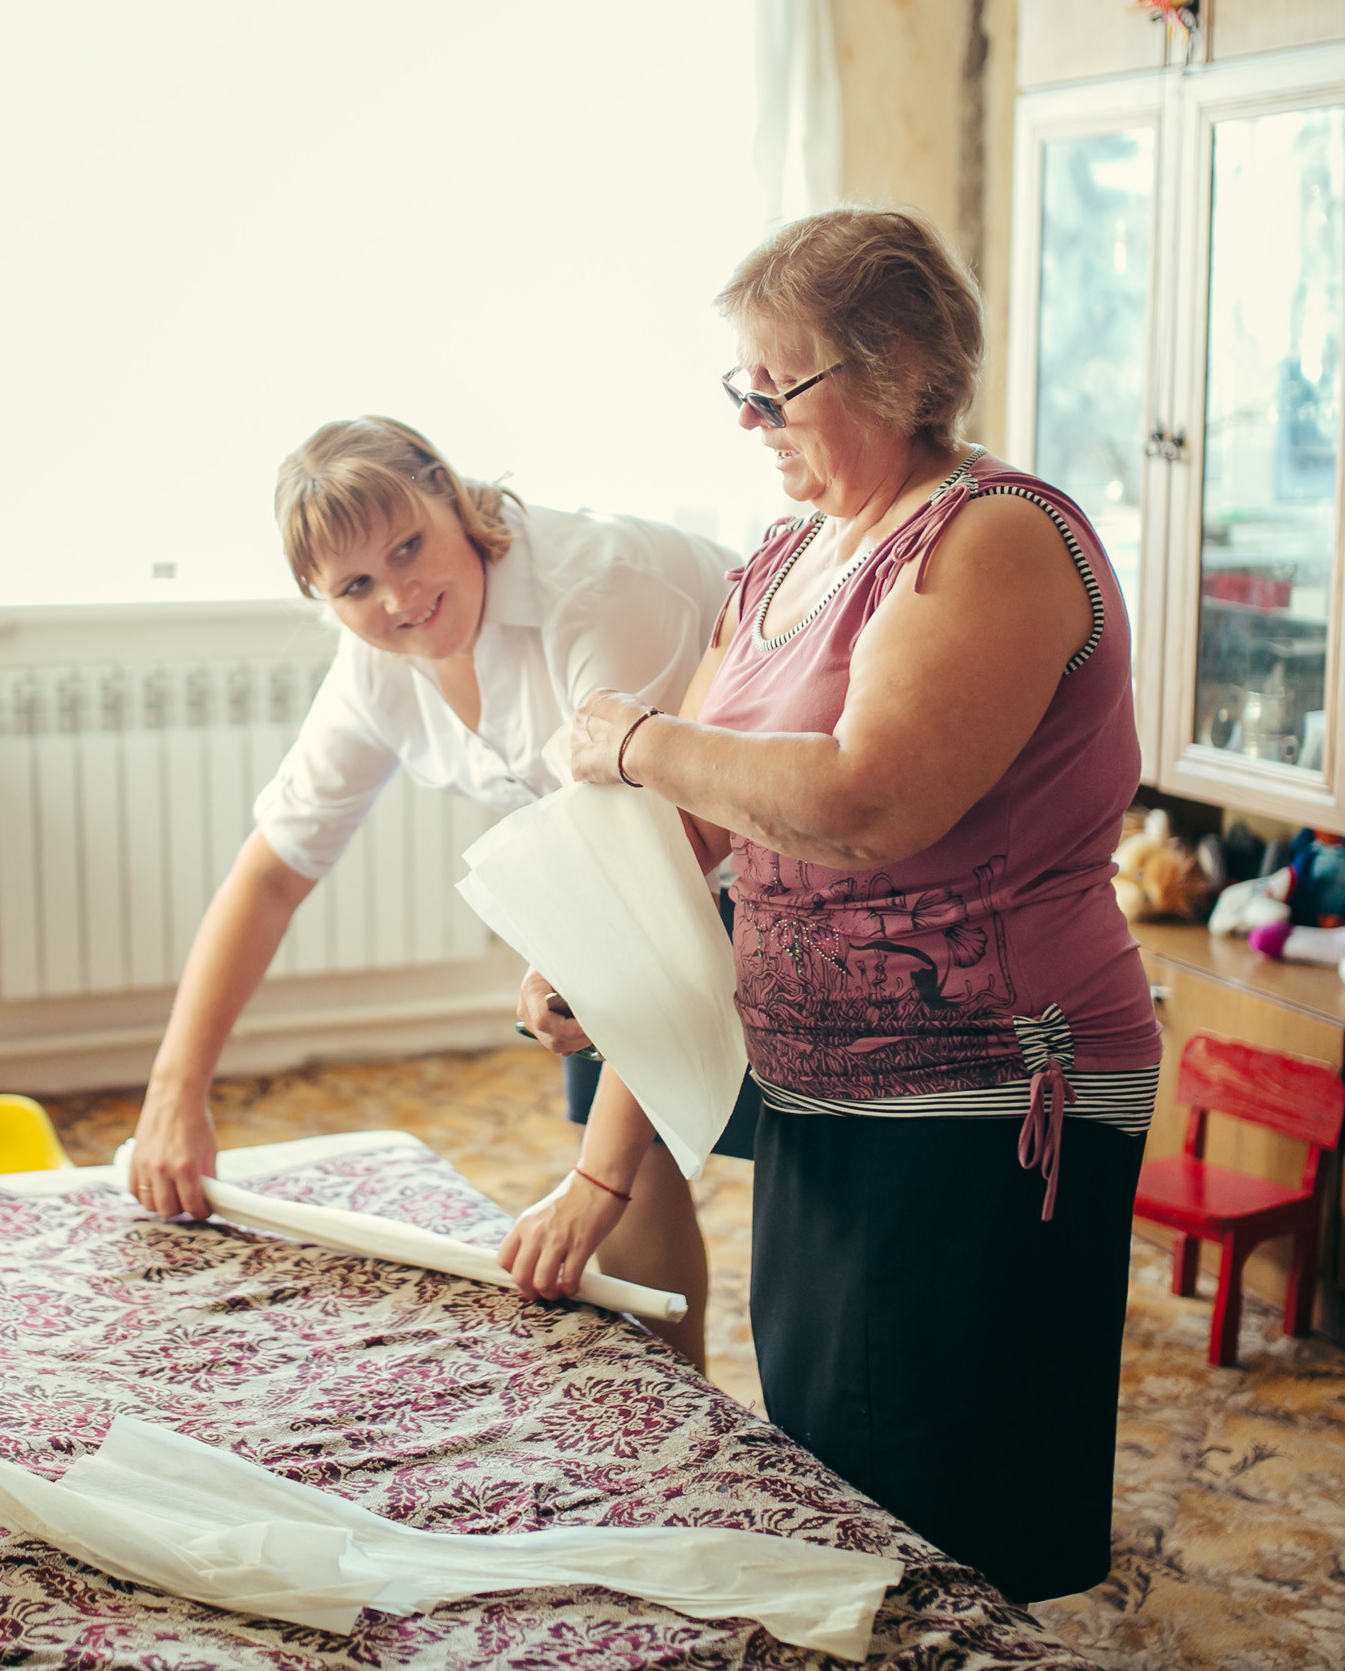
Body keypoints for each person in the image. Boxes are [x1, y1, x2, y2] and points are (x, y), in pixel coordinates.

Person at [501, 206, 1158, 1604]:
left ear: (903, 370)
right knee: (834, 1463)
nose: (747, 415)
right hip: (821, 1084)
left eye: (774, 384)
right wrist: (590, 941)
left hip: (991, 1090)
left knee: (936, 1499)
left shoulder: (994, 538)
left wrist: (627, 736)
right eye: (735, 384)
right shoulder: (787, 552)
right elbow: (707, 806)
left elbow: (867, 799)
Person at [127, 416, 757, 1370]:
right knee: (639, 1142)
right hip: (623, 860)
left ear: (451, 492)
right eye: (355, 587)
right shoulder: (375, 667)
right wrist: (175, 1095)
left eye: (409, 546)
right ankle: (678, 1418)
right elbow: (271, 874)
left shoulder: (600, 591)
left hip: (782, 854)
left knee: (744, 1173)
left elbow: (663, 863)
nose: (400, 598)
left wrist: (591, 1183)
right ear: (321, 598)